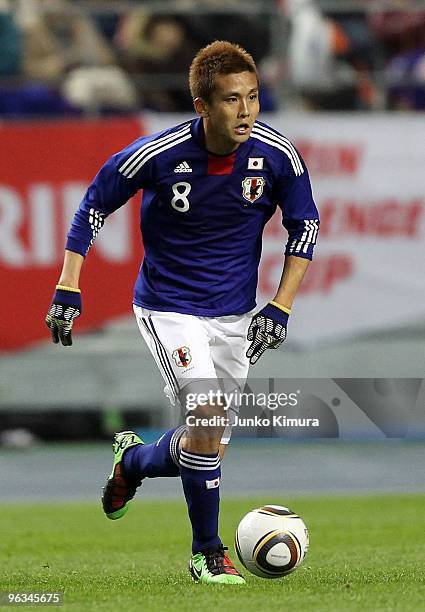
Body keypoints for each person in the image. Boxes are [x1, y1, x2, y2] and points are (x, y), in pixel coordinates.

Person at [45, 41, 319, 585]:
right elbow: (94, 205)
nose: (246, 112)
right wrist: (67, 284)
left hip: (235, 318)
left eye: (253, 97)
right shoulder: (158, 154)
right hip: (169, 308)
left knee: (204, 447)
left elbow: (304, 227)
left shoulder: (277, 156)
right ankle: (207, 554)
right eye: (231, 100)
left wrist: (281, 306)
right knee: (208, 418)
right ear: (202, 105)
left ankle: (135, 461)